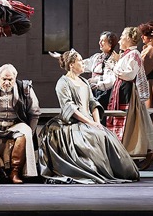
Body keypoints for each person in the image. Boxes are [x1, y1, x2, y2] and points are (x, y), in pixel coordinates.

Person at [36, 49, 139, 184]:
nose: (83, 63)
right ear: (71, 65)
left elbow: (92, 103)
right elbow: (70, 108)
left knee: (105, 135)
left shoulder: (84, 81)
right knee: (90, 137)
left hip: (89, 121)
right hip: (72, 123)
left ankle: (117, 171)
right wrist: (89, 123)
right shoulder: (63, 82)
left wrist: (97, 123)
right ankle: (97, 170)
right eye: (80, 60)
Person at [100, 25, 153, 165]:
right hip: (121, 89)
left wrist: (114, 67)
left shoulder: (134, 54)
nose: (120, 40)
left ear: (129, 38)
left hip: (128, 91)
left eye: (122, 37)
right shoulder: (126, 54)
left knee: (131, 122)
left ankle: (135, 153)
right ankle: (124, 152)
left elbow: (129, 74)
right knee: (124, 120)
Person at [81, 31, 118, 111]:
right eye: (100, 40)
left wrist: (97, 83)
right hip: (94, 91)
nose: (100, 43)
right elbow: (83, 64)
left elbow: (111, 79)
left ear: (110, 44)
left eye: (103, 41)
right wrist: (65, 58)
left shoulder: (113, 60)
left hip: (105, 93)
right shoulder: (97, 57)